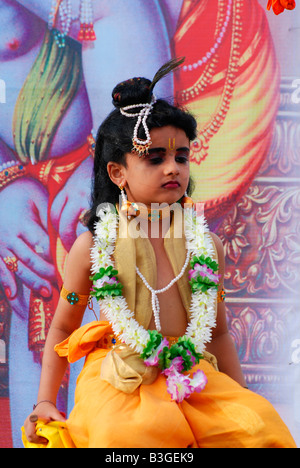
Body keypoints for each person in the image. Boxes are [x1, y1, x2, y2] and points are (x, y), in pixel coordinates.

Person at [23, 59, 296, 448]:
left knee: (260, 430)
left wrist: (241, 402)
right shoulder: (95, 246)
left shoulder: (205, 246)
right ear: (118, 173)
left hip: (190, 374)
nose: (173, 168)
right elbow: (63, 329)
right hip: (121, 379)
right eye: (155, 159)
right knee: (130, 438)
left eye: (181, 157)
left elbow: (216, 334)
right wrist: (45, 402)